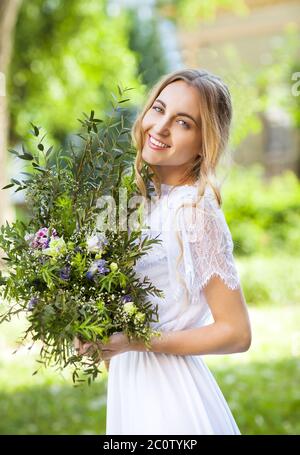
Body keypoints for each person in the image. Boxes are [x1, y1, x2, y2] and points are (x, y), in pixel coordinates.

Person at [74, 68, 252, 435]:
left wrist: (135, 341)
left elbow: (236, 332)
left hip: (171, 399)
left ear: (206, 142)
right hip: (132, 386)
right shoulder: (140, 203)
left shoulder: (194, 212)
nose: (161, 127)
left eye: (183, 122)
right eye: (159, 109)